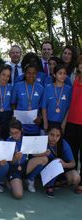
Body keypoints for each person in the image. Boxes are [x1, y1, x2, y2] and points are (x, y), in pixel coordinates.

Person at [43, 124, 80, 198]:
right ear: (47, 133)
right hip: (43, 169)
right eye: (52, 134)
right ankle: (49, 186)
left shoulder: (64, 144)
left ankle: (60, 182)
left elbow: (73, 163)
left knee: (75, 178)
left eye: (57, 136)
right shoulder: (42, 141)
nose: (54, 138)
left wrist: (64, 164)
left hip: (60, 169)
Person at [11, 63, 44, 135]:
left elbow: (42, 107)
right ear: (25, 74)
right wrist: (14, 115)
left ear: (37, 74)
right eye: (29, 73)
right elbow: (13, 103)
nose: (31, 75)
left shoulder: (41, 88)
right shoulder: (18, 86)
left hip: (34, 124)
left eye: (34, 73)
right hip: (19, 125)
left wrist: (40, 118)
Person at [65, 56, 82, 193]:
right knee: (73, 152)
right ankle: (73, 178)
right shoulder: (75, 81)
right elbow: (70, 104)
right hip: (71, 123)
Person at [42, 64, 71, 132]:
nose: (63, 76)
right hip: (49, 121)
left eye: (64, 73)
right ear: (54, 75)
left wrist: (64, 124)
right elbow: (44, 107)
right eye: (60, 73)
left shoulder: (69, 89)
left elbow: (69, 108)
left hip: (62, 122)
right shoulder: (48, 88)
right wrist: (45, 123)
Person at [6, 119, 27, 199]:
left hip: (25, 166)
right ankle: (9, 180)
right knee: (18, 195)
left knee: (43, 159)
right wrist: (15, 157)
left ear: (21, 130)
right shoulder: (8, 141)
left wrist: (44, 152)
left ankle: (30, 180)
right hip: (14, 168)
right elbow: (9, 162)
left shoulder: (26, 140)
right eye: (12, 133)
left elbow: (34, 153)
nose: (14, 135)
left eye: (16, 133)